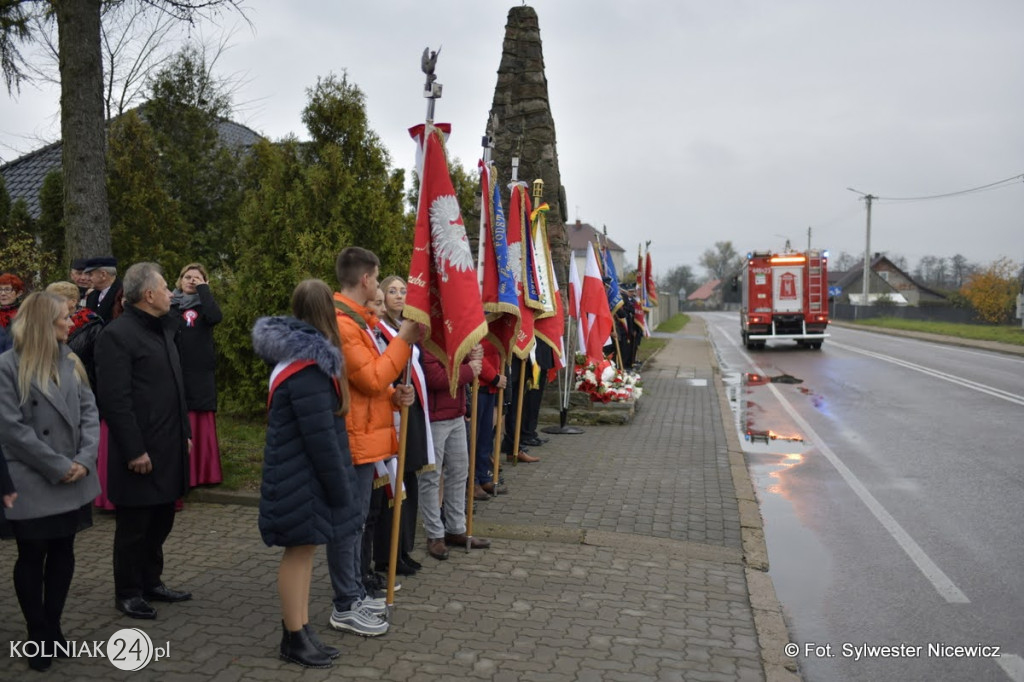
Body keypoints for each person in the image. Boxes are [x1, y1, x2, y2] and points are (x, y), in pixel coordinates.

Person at [252, 279, 360, 669]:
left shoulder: (301, 359)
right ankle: (294, 635)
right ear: (327, 312)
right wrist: (340, 486)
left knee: (305, 552)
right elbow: (319, 437)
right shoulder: (309, 368)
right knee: (297, 554)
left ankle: (299, 629)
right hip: (302, 476)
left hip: (298, 474)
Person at [0, 292, 101, 672]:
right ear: (45, 322)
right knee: (32, 555)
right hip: (34, 477)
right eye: (64, 317)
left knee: (63, 551)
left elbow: (91, 413)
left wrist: (84, 460)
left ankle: (53, 627)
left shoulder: (71, 361)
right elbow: (11, 429)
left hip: (73, 475)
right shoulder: (7, 367)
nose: (70, 322)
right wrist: (58, 465)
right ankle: (37, 633)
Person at [326, 247, 418, 637]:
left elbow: (370, 386)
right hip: (352, 440)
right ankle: (344, 603)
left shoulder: (358, 321)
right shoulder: (343, 324)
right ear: (365, 279)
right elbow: (371, 377)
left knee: (356, 523)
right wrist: (405, 340)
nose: (379, 285)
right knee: (347, 525)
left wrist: (394, 398)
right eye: (377, 278)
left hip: (365, 435)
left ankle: (354, 591)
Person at [94, 262, 192, 620]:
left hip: (169, 443)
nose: (171, 293)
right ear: (148, 295)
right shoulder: (118, 335)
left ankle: (152, 581)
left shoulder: (164, 329)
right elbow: (115, 399)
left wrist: (186, 432)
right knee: (135, 526)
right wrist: (134, 449)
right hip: (139, 450)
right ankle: (128, 591)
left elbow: (177, 388)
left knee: (163, 517)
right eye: (166, 288)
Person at [375, 276, 430, 571]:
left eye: (403, 291)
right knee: (394, 486)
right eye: (391, 292)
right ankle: (388, 555)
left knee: (410, 481)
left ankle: (404, 548)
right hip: (394, 413)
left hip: (412, 410)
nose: (398, 296)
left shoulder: (403, 330)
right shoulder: (381, 331)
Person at [420, 342, 492, 553]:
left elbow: (453, 361)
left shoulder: (453, 332)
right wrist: (470, 369)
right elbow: (435, 378)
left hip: (456, 414)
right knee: (431, 477)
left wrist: (470, 355)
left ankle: (455, 528)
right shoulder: (425, 333)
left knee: (460, 472)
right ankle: (434, 534)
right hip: (434, 417)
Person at [171, 263, 223, 486]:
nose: (191, 280)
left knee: (199, 419)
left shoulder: (205, 305)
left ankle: (204, 474)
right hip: (175, 370)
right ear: (180, 280)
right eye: (187, 277)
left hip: (200, 373)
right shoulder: (170, 304)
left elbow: (215, 317)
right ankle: (182, 474)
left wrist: (205, 291)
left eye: (197, 278)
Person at [45, 281, 103, 388]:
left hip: (80, 384)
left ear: (73, 302)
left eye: (57, 299)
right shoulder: (47, 323)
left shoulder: (93, 325)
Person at [472, 338, 508, 500]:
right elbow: (476, 354)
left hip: (490, 387)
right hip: (479, 384)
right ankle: (472, 482)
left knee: (485, 438)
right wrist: (494, 377)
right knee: (474, 438)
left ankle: (483, 476)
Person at [83, 257, 123, 323]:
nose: (87, 279)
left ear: (103, 275)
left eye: (90, 275)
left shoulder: (123, 294)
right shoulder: (91, 296)